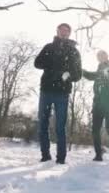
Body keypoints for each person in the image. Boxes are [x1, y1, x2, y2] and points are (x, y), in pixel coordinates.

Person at [34, 23, 82, 164]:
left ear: (69, 33)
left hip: (62, 93)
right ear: (57, 31)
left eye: (67, 30)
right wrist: (49, 61)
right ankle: (45, 156)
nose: (64, 32)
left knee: (60, 126)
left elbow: (78, 74)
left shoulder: (74, 52)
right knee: (43, 124)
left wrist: (69, 74)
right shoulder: (49, 47)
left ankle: (61, 159)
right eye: (62, 30)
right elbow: (37, 63)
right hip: (46, 90)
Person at [83, 50, 109, 162]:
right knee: (95, 130)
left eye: (103, 55)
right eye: (99, 56)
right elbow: (92, 76)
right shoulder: (99, 68)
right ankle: (98, 155)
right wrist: (82, 71)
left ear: (107, 56)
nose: (101, 58)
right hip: (98, 103)